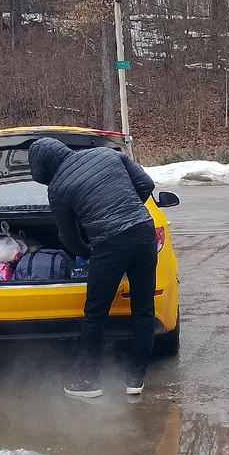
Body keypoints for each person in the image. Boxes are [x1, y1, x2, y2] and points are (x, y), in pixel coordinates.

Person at [28, 137, 158, 398]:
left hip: (109, 245)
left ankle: (89, 382)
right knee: (143, 310)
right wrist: (129, 212)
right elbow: (146, 184)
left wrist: (89, 252)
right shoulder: (107, 154)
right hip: (145, 233)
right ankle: (135, 379)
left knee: (95, 315)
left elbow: (67, 236)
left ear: (45, 170)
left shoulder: (58, 187)